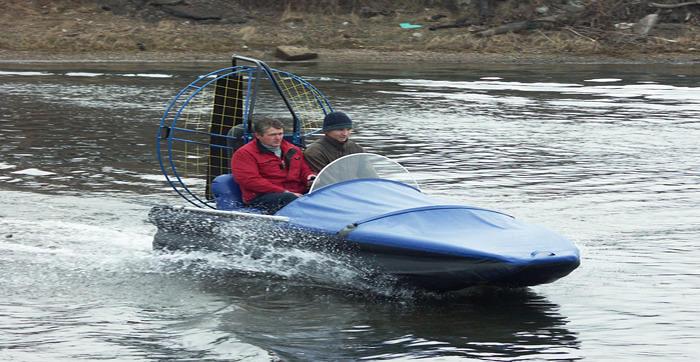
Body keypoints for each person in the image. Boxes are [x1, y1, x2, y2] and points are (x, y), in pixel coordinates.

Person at [231, 117, 315, 214]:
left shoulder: (293, 149)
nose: (278, 138)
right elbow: (250, 181)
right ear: (258, 135)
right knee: (290, 199)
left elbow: (304, 170)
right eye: (272, 135)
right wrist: (284, 192)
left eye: (280, 134)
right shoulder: (244, 154)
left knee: (321, 192)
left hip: (293, 192)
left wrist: (309, 177)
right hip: (261, 196)